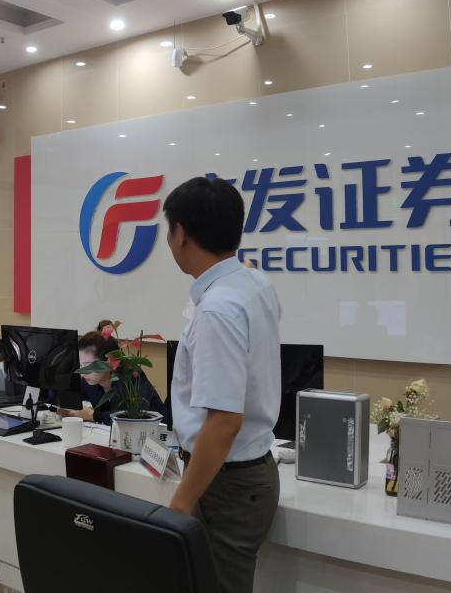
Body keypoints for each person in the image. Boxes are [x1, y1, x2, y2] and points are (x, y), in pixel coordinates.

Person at [163, 177, 281, 593]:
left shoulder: (218, 308)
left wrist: (181, 502)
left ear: (181, 233)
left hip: (227, 483)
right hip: (244, 473)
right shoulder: (254, 283)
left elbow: (224, 421)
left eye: (168, 230)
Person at [60, 331, 166, 425]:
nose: (83, 373)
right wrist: (65, 408)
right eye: (80, 365)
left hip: (158, 434)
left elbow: (134, 416)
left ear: (108, 362)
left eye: (88, 366)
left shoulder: (130, 374)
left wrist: (93, 416)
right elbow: (69, 396)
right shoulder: (90, 380)